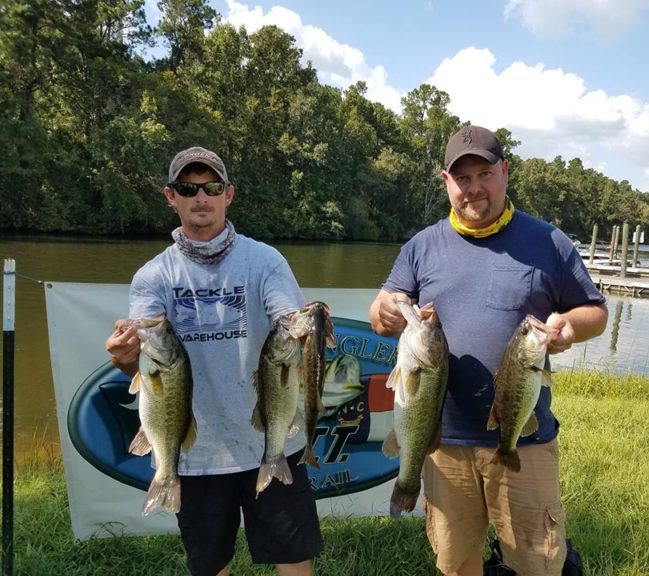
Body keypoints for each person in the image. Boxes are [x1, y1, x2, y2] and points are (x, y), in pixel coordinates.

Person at [369, 126, 608, 576]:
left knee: (537, 565)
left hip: (524, 441)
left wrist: (570, 326)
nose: (473, 187)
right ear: (446, 181)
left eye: (484, 174)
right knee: (457, 562)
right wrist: (384, 311)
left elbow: (595, 312)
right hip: (442, 443)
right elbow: (382, 309)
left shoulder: (548, 242)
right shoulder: (422, 246)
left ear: (505, 172)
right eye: (462, 178)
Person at [105, 147, 322, 576]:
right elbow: (145, 366)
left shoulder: (264, 261)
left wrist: (301, 327)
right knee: (208, 565)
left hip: (269, 439)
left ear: (229, 194)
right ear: (171, 196)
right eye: (188, 188)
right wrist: (125, 358)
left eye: (212, 187)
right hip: (194, 453)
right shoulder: (153, 276)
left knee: (294, 557)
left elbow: (286, 318)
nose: (201, 197)